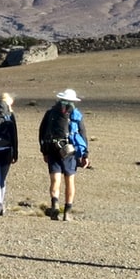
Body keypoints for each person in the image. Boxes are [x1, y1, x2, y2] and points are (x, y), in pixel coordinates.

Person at [38, 88, 89, 221]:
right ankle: (67, 211)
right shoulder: (76, 114)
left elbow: (42, 131)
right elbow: (83, 134)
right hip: (69, 151)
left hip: (52, 149)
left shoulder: (50, 113)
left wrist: (44, 151)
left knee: (55, 180)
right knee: (69, 181)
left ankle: (54, 204)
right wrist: (85, 155)